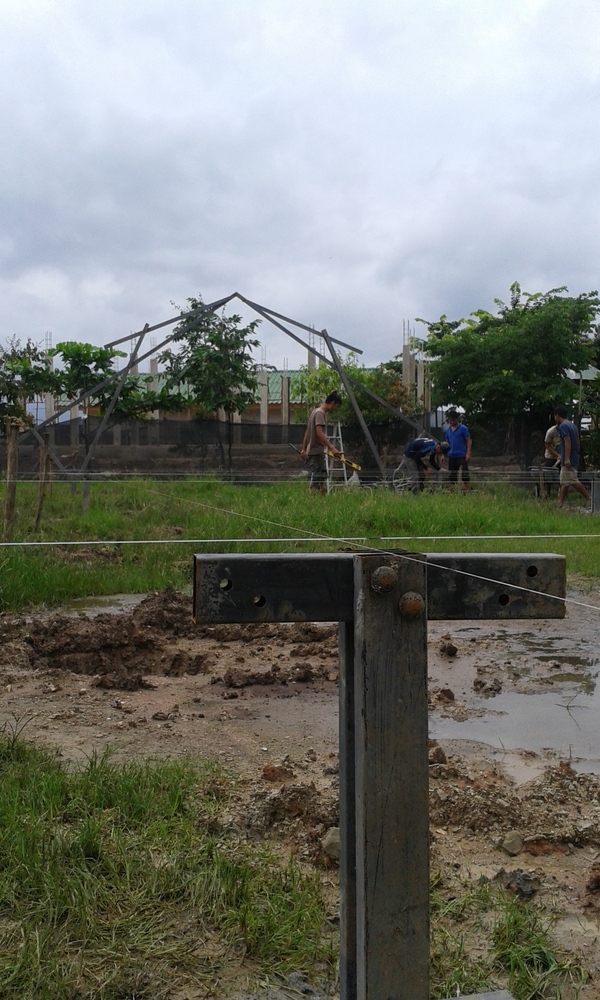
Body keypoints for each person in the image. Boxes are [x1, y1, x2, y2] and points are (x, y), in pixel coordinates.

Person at [300, 391, 343, 492]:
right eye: (336, 406)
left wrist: (304, 448)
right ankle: (314, 500)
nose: (335, 409)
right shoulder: (320, 413)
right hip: (316, 451)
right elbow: (319, 433)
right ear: (332, 403)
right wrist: (332, 448)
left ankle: (320, 500)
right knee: (318, 477)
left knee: (320, 476)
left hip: (312, 450)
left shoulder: (314, 411)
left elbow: (308, 431)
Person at [553, 405, 591, 509]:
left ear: (557, 415)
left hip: (568, 458)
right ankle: (559, 503)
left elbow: (567, 442)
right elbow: (578, 441)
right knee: (564, 481)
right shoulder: (572, 425)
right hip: (574, 455)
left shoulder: (563, 426)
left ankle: (588, 498)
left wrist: (566, 458)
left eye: (554, 416)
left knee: (572, 480)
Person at [444, 409, 472, 491]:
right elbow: (446, 443)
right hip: (451, 455)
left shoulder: (463, 428)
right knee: (452, 475)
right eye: (450, 420)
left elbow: (468, 440)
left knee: (465, 474)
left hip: (461, 455)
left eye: (453, 420)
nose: (452, 422)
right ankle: (451, 492)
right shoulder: (448, 430)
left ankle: (468, 491)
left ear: (457, 419)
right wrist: (443, 454)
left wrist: (468, 453)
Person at [542, 422, 561, 497]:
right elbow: (547, 445)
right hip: (550, 456)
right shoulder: (551, 431)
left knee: (562, 474)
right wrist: (556, 455)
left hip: (561, 456)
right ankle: (548, 492)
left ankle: (561, 493)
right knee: (548, 475)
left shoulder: (565, 431)